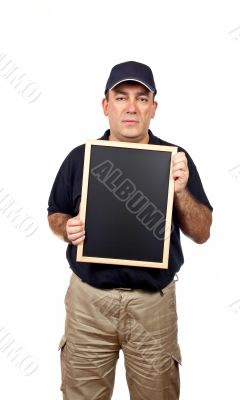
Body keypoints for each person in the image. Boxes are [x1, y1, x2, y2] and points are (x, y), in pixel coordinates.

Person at [47, 61, 213, 400]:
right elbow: (55, 214)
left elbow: (202, 232)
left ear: (154, 107)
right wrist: (68, 228)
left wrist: (180, 191)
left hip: (153, 306)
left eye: (141, 98)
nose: (131, 108)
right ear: (106, 106)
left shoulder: (176, 159)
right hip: (88, 303)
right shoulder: (80, 158)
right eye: (121, 98)